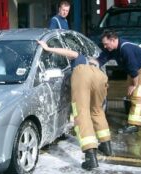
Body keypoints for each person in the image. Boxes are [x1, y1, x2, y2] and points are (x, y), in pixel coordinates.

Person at [37, 40, 112, 170]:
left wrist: (48, 48)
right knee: (97, 111)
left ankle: (90, 157)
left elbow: (69, 53)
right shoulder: (90, 59)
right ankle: (106, 145)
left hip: (83, 74)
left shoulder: (79, 57)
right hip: (100, 76)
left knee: (81, 113)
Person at [89, 30, 141, 134]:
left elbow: (134, 71)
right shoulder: (112, 48)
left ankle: (134, 125)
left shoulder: (125, 49)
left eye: (106, 44)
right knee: (132, 94)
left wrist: (133, 85)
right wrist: (94, 62)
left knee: (137, 94)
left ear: (113, 40)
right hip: (135, 69)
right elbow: (102, 58)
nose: (105, 47)